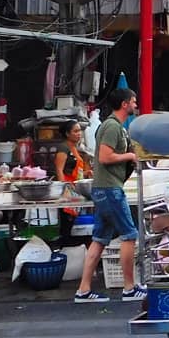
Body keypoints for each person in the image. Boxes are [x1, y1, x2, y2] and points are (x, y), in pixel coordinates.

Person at [74, 87, 146, 304]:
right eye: (133, 101)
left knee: (99, 239)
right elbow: (105, 157)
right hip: (109, 189)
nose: (135, 104)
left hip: (105, 188)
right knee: (129, 235)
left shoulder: (116, 127)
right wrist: (131, 155)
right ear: (124, 104)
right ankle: (129, 288)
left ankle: (83, 291)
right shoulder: (112, 126)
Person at [54, 120, 92, 241]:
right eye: (75, 131)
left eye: (79, 130)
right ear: (67, 134)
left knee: (73, 224)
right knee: (66, 224)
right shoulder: (63, 148)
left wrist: (87, 173)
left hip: (75, 189)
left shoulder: (75, 148)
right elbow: (59, 170)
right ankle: (65, 246)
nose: (79, 133)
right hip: (67, 190)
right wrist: (65, 189)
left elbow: (75, 172)